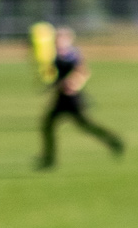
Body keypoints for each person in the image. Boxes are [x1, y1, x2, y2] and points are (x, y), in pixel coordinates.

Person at [37, 27, 125, 169]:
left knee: (86, 126)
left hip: (72, 98)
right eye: (56, 38)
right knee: (48, 126)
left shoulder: (73, 54)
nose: (57, 40)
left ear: (68, 40)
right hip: (60, 98)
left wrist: (74, 83)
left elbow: (83, 72)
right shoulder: (56, 55)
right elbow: (57, 76)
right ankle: (49, 160)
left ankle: (114, 142)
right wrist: (50, 86)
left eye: (60, 38)